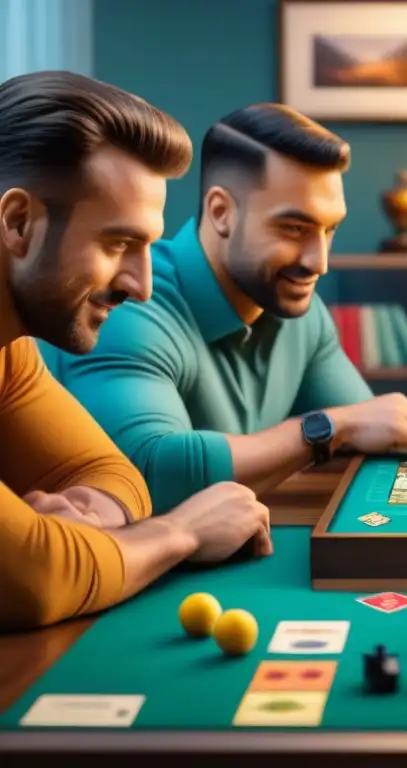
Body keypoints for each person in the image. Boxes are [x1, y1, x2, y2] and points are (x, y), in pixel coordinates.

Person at [42, 103, 407, 514]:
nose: (318, 261)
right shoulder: (132, 306)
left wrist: (360, 428)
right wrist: (328, 429)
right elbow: (146, 470)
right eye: (294, 229)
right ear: (221, 212)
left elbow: (372, 431)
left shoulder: (302, 313)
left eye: (329, 229)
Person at [0, 71, 273, 632]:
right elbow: (33, 576)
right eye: (118, 243)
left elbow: (108, 473)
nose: (142, 285)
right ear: (17, 222)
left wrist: (89, 522)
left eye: (148, 246)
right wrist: (182, 532)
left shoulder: (10, 354)